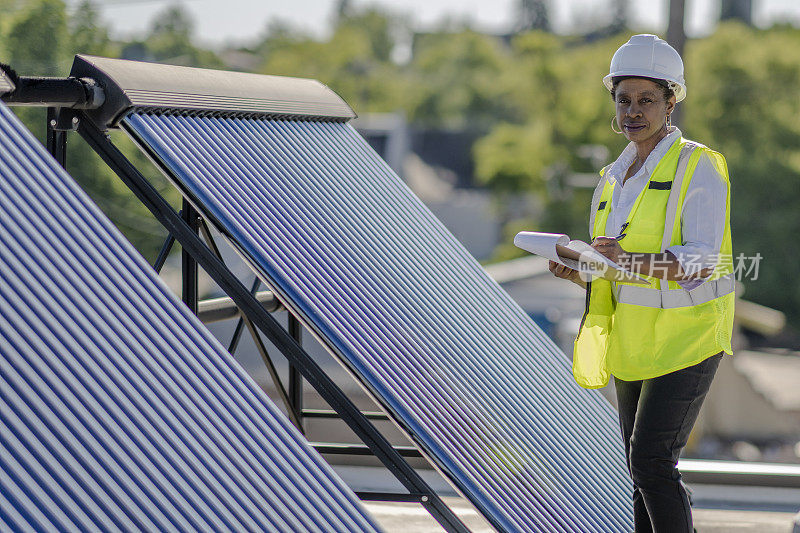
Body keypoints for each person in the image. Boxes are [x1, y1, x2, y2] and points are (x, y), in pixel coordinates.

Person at [548, 34, 735, 532]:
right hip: (634, 339)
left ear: (671, 102)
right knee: (640, 469)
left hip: (688, 336)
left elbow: (700, 261)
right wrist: (580, 271)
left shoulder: (699, 166)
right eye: (623, 100)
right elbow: (613, 271)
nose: (633, 111)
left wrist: (627, 259)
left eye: (647, 100)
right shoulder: (612, 177)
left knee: (653, 462)